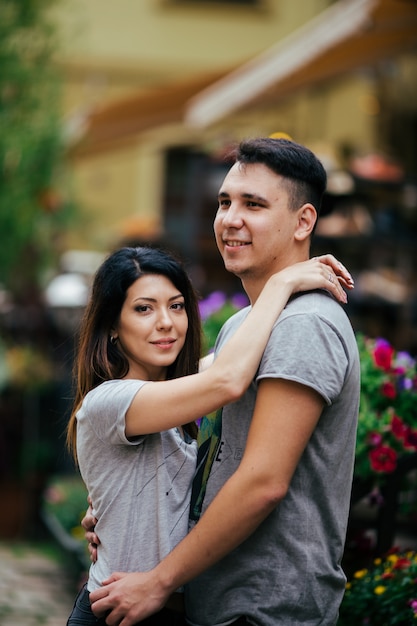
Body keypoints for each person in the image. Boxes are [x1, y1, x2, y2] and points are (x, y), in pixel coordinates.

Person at [86, 137, 360, 626]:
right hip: (220, 601)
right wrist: (121, 510)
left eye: (253, 204)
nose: (230, 218)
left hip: (264, 608)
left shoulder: (304, 325)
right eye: (225, 202)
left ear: (304, 222)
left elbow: (262, 484)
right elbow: (207, 446)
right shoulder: (245, 326)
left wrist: (161, 579)